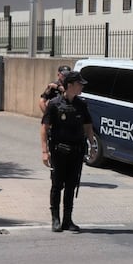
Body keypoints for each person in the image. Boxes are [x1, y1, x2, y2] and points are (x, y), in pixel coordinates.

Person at [40, 71, 94, 232]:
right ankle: (55, 219)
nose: (82, 87)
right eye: (79, 84)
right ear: (70, 85)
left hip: (76, 151)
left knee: (71, 185)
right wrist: (44, 151)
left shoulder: (82, 104)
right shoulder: (54, 104)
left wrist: (91, 146)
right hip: (59, 150)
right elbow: (44, 128)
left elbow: (88, 127)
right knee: (57, 185)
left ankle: (67, 220)